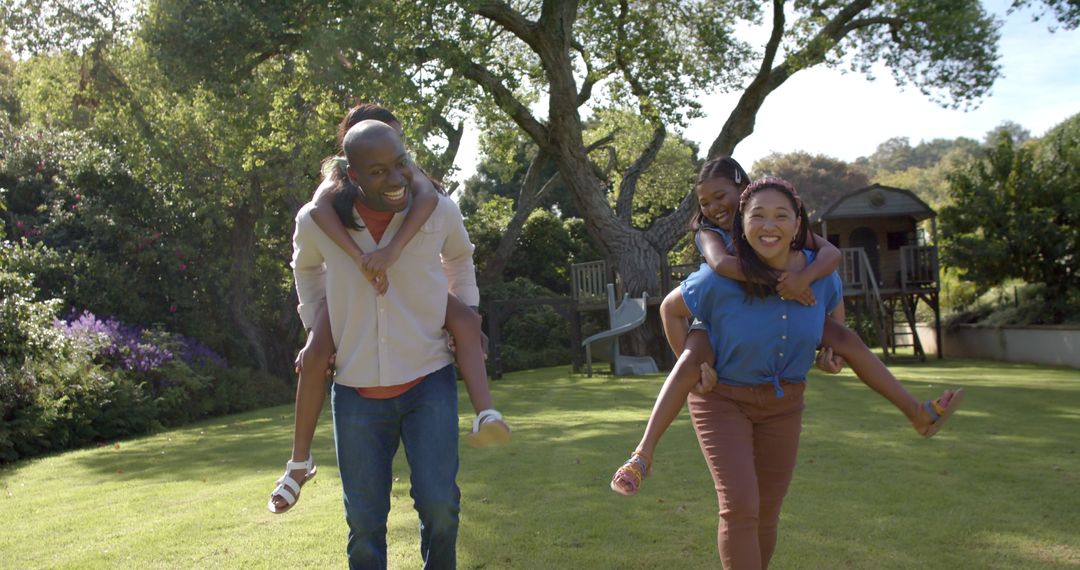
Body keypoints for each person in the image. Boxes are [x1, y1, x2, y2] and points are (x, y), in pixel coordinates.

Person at [611, 160, 963, 498]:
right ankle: (642, 455)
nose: (714, 207)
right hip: (722, 313)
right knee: (689, 361)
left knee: (845, 338)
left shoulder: (779, 220)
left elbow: (831, 257)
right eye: (704, 202)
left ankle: (917, 413)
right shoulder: (708, 230)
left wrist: (804, 280)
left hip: (787, 304)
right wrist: (782, 281)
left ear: (743, 188)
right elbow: (719, 265)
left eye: (721, 196)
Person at [268, 105, 509, 515]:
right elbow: (314, 224)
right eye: (378, 164)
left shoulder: (424, 193)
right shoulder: (332, 189)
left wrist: (392, 252)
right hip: (352, 330)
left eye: (400, 153)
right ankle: (298, 461)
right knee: (313, 357)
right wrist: (354, 267)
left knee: (468, 321)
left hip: (424, 359)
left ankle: (485, 412)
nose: (398, 171)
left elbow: (435, 207)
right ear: (353, 165)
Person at [291, 120, 476, 567]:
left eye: (399, 164)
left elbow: (460, 258)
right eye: (377, 171)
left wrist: (469, 315)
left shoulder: (437, 210)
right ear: (352, 174)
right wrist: (318, 326)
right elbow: (305, 268)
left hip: (428, 380)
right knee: (365, 524)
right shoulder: (321, 220)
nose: (393, 179)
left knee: (440, 505)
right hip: (355, 390)